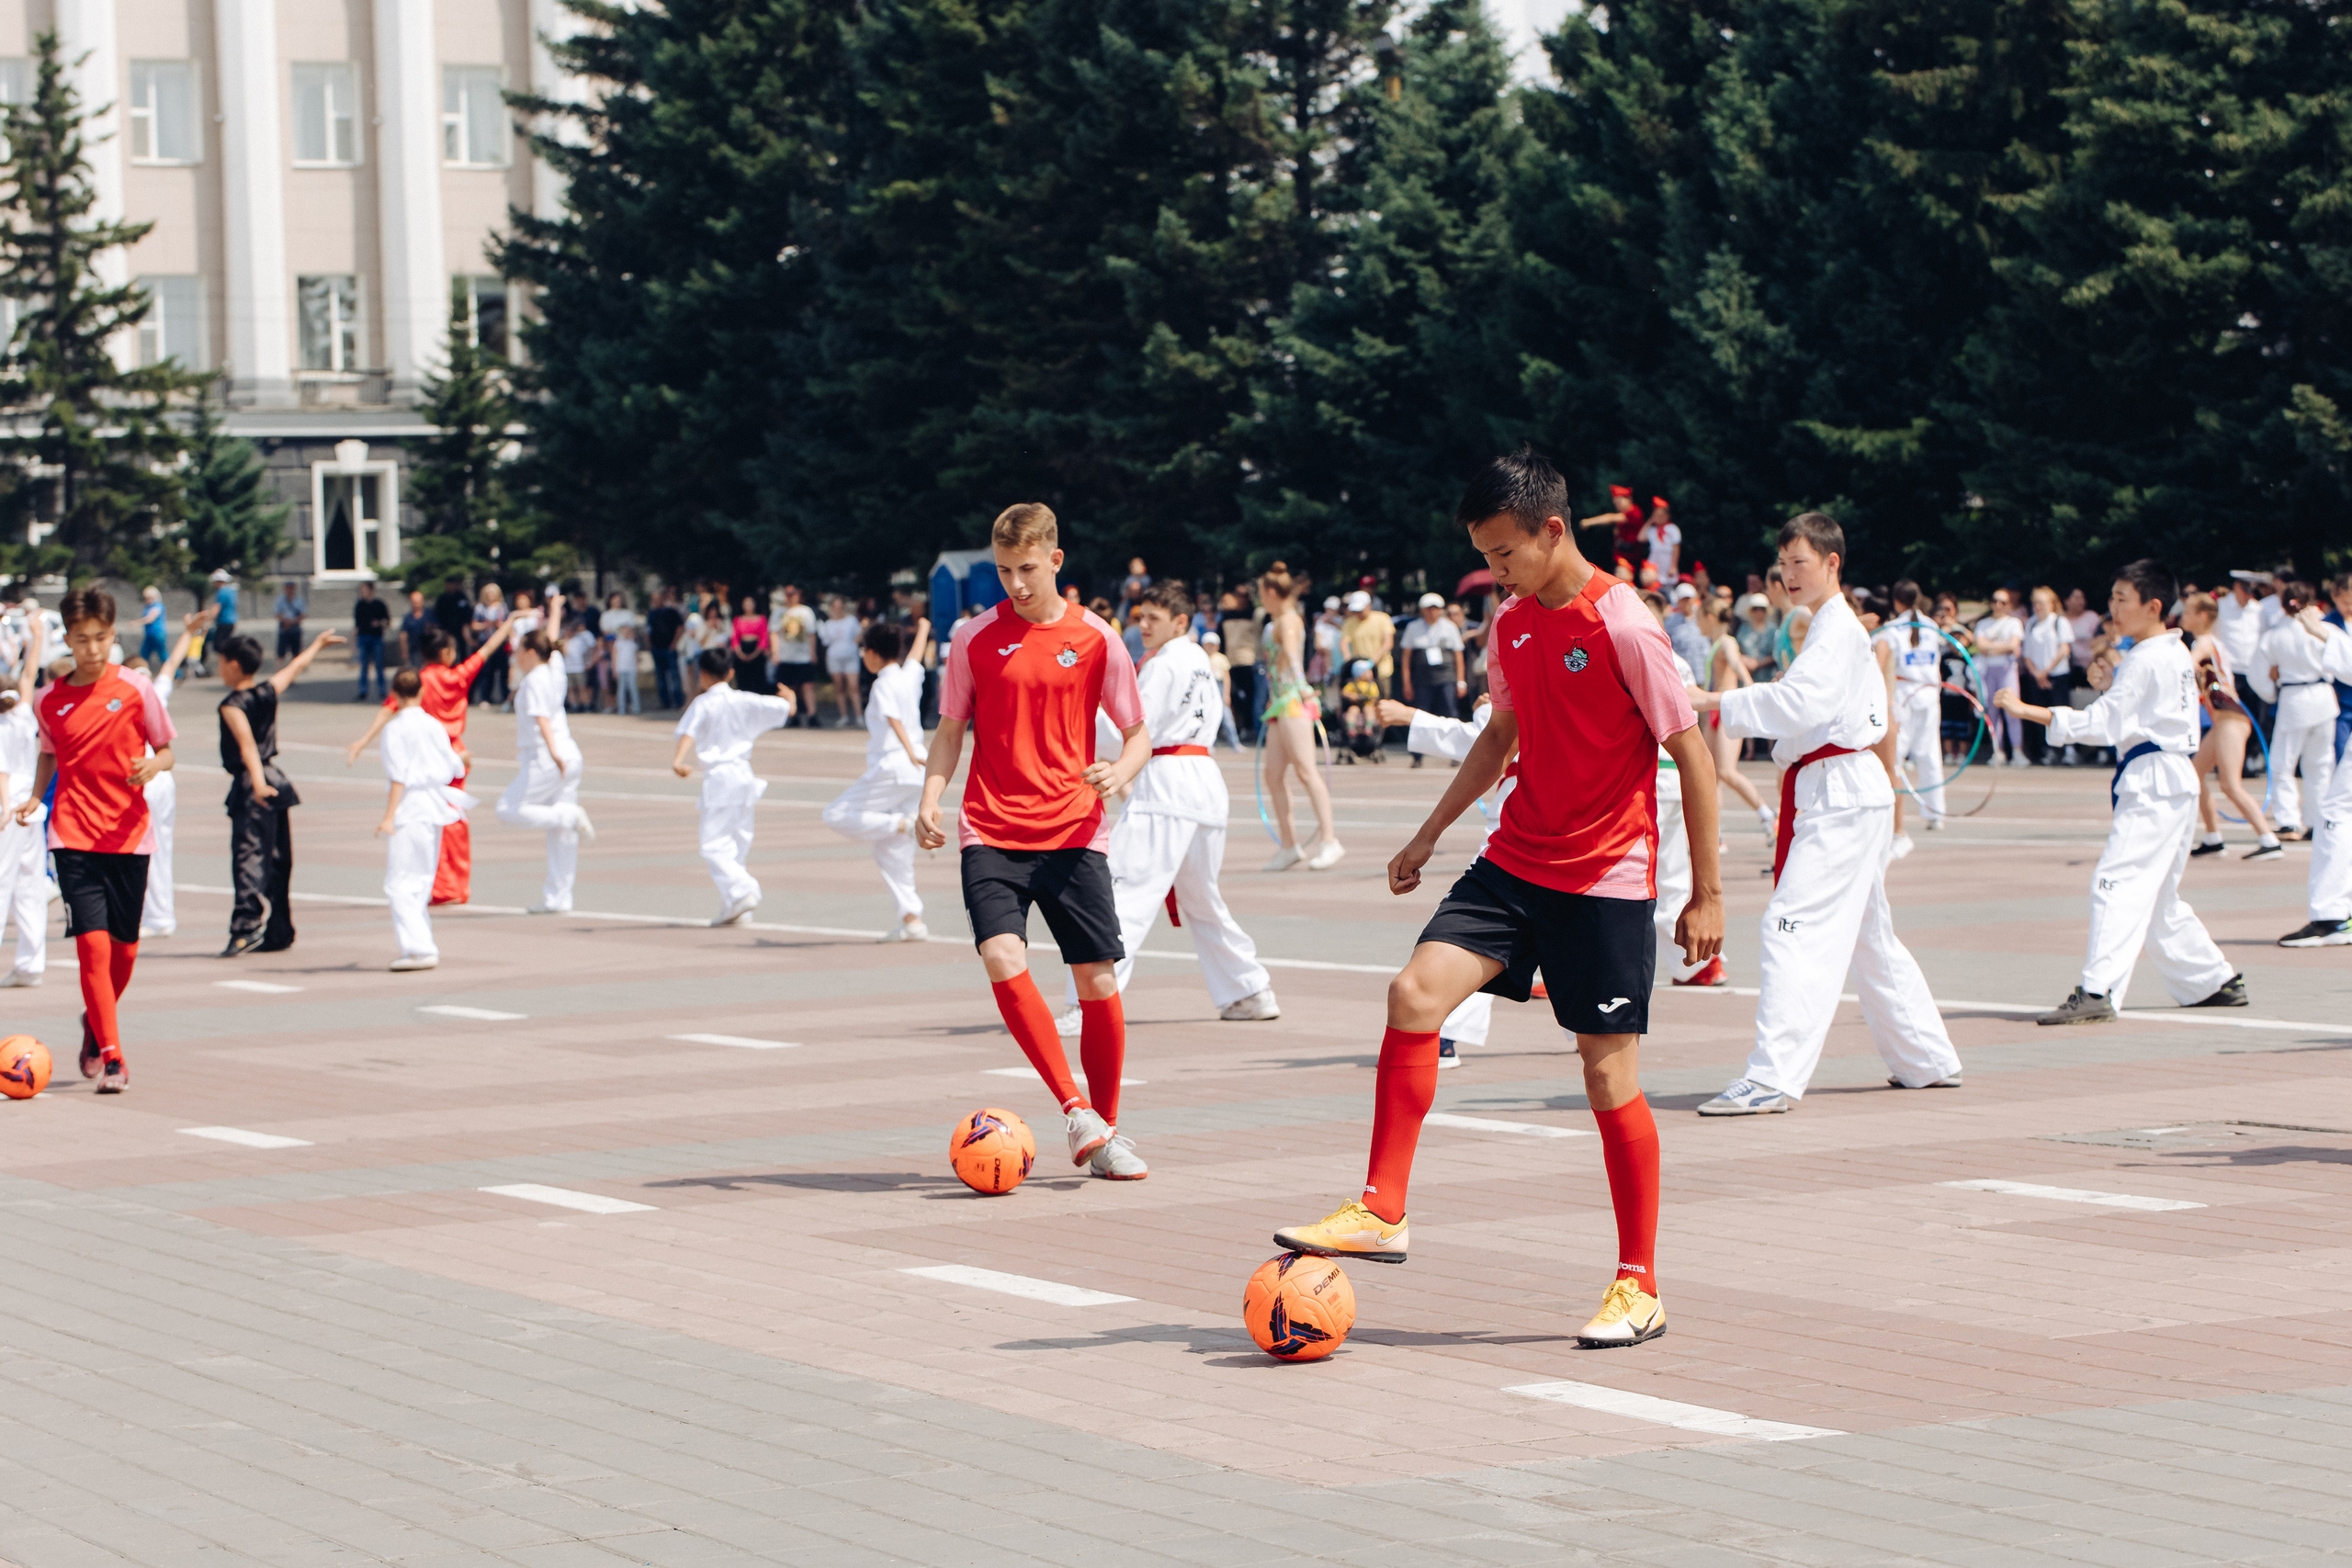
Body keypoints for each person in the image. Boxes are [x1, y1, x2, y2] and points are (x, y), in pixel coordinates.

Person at [1272, 450, 1721, 1351]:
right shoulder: (1511, 626)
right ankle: (1382, 1206)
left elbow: (1693, 760)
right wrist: (1428, 834)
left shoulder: (1627, 628)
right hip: (1514, 861)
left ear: (1553, 531)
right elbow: (1497, 740)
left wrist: (1707, 896)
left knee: (1606, 1078)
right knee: (1412, 995)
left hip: (1604, 880)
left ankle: (1638, 1285)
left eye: (1506, 553)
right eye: (1487, 556)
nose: (1498, 573)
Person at [1689, 513, 1963, 1114]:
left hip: (1839, 788)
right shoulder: (1830, 627)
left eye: (1800, 563)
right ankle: (1925, 1057)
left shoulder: (1836, 628)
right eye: (1782, 564)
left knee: (1791, 926)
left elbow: (1799, 703)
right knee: (1870, 936)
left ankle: (1773, 1075)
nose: (1788, 575)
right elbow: (1805, 705)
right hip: (1841, 787)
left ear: (1832, 563)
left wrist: (1714, 700)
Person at [913, 502, 1152, 1181]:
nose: (1014, 583)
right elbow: (952, 729)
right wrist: (931, 798)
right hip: (990, 827)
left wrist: (1120, 770)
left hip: (1075, 830)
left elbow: (1138, 735)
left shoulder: (1098, 637)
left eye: (1026, 568)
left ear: (1055, 560)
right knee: (1000, 955)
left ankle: (1105, 1132)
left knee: (1098, 979)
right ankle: (1075, 1106)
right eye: (1003, 569)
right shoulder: (973, 638)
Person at [1996, 560, 2245, 1022]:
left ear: (2153, 606)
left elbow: (2102, 723)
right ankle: (2213, 979)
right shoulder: (2167, 652)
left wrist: (2027, 709)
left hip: (2155, 780)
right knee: (2157, 896)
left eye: (2122, 599)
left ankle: (2097, 991)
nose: (2113, 607)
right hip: (2169, 777)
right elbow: (2136, 708)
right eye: (2111, 598)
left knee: (2115, 882)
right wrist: (2113, 685)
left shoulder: (2150, 656)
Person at [1053, 580, 1278, 1033]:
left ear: (1180, 621)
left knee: (1125, 892)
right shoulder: (1198, 659)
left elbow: (1132, 727)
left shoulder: (1165, 664)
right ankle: (1249, 990)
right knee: (1200, 898)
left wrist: (1078, 716)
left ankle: (1090, 1002)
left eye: (1154, 618)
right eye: (1141, 617)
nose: (1144, 626)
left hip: (1167, 783)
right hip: (1203, 784)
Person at [17, 590, 175, 1091]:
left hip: (129, 834)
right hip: (72, 834)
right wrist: (35, 797)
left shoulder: (135, 689)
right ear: (67, 637)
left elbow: (167, 749)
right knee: (92, 947)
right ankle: (113, 1057)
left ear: (113, 636)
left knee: (124, 952)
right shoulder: (49, 700)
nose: (92, 649)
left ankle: (94, 1024)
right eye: (82, 639)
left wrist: (153, 764)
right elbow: (49, 754)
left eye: (101, 638)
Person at [346, 616, 514, 906]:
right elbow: (485, 651)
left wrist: (364, 740)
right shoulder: (457, 675)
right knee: (456, 821)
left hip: (425, 754)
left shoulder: (417, 681)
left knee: (432, 823)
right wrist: (509, 622)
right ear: (446, 653)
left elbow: (388, 711)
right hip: (455, 755)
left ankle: (442, 886)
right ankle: (459, 885)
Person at [217, 624, 345, 957]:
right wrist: (316, 645)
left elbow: (246, 746)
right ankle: (279, 928)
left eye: (221, 662)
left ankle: (246, 927)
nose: (219, 668)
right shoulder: (266, 691)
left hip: (253, 782)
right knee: (278, 858)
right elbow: (295, 667)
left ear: (233, 664)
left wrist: (257, 784)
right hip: (277, 779)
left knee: (248, 856)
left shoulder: (233, 704)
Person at [822, 620, 933, 942]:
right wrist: (923, 627)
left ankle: (903, 824)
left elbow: (892, 717)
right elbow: (914, 656)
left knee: (835, 814)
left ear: (871, 653)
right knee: (891, 854)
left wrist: (909, 748)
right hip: (915, 769)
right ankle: (912, 920)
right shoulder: (907, 675)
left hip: (895, 765)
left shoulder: (883, 683)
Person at [671, 648, 799, 925]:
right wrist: (791, 698)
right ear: (730, 673)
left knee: (713, 844)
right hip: (744, 774)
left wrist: (679, 760)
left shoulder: (703, 703)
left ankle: (743, 891)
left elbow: (688, 732)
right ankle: (735, 906)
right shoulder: (744, 700)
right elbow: (786, 709)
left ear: (702, 675)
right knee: (738, 843)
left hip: (720, 778)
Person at [376, 668, 472, 972]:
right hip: (434, 807)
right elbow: (455, 766)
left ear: (394, 694)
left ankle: (419, 948)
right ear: (421, 692)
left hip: (411, 808)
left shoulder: (395, 729)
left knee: (400, 882)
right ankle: (420, 944)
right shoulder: (433, 725)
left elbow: (398, 776)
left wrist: (389, 816)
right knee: (419, 880)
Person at [2179, 592, 2282, 861]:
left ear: (2202, 616)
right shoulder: (2215, 642)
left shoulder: (2203, 642)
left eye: (2188, 611)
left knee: (2230, 785)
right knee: (2195, 775)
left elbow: (2186, 667)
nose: (2183, 616)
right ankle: (2213, 838)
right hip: (2224, 720)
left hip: (2230, 719)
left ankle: (2268, 838)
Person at [501, 622, 595, 913]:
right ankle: (559, 897)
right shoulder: (554, 668)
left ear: (530, 652)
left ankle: (567, 816)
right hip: (567, 754)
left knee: (507, 808)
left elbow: (541, 718)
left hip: (547, 756)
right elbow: (550, 641)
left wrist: (553, 753)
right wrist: (554, 610)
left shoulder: (534, 680)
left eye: (519, 650)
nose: (516, 655)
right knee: (561, 836)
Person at [2278, 597, 2352, 946]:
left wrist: (2322, 632)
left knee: (2336, 813)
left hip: (2304, 699)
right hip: (2320, 701)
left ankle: (2331, 917)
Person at [138, 604, 215, 941]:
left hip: (145, 779)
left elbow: (169, 667)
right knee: (160, 846)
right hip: (161, 781)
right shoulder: (154, 691)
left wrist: (190, 632)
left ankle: (156, 916)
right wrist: (189, 632)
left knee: (145, 847)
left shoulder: (135, 696)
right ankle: (158, 913)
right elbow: (169, 667)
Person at [1259, 566, 1343, 869]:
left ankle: (1330, 840)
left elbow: (1294, 659)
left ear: (1270, 592)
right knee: (1273, 774)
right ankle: (1289, 844)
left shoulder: (1289, 619)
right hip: (1280, 702)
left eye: (1261, 592)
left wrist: (1304, 689)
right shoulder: (1278, 621)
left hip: (1293, 701)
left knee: (1306, 771)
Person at [2250, 581, 2336, 841]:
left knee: (2282, 763)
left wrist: (2272, 690)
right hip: (2323, 697)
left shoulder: (2275, 635)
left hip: (2294, 698)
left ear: (2282, 604)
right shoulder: (2326, 629)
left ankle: (2289, 821)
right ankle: (2316, 821)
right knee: (2320, 765)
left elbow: (2257, 674)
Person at [1694, 594, 1772, 826]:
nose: (1697, 624)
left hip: (1727, 710)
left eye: (1699, 619)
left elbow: (1736, 662)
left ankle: (1766, 814)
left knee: (1727, 772)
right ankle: (1715, 835)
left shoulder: (1727, 641)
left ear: (1709, 618)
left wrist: (1749, 686)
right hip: (1714, 711)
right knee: (1712, 776)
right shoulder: (1716, 642)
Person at [1875, 582, 1947, 829]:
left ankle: (1889, 814)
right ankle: (1934, 814)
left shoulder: (1892, 629)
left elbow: (1878, 662)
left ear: (1896, 601)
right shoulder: (1931, 625)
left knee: (1894, 758)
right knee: (1929, 756)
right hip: (1928, 693)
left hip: (1906, 695)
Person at [0, 611, 46, 985]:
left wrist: (2, 809)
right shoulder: (24, 715)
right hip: (33, 807)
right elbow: (30, 673)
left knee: (1, 885)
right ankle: (31, 964)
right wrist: (37, 637)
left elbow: (1, 771)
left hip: (9, 807)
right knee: (30, 885)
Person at [1397, 592, 1467, 761]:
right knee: (1421, 714)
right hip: (1422, 678)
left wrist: (1461, 681)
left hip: (1446, 677)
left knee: (1450, 712)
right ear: (1422, 610)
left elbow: (1458, 655)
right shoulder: (1413, 628)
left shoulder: (1449, 627)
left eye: (1436, 609)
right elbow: (1406, 657)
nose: (1432, 613)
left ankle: (1455, 752)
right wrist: (1406, 683)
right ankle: (1417, 755)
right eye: (1429, 609)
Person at [1972, 588, 2025, 765]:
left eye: (2003, 602)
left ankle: (2017, 750)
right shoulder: (1983, 624)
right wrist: (2002, 646)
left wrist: (1991, 647)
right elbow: (1981, 646)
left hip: (2006, 669)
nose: (1998, 605)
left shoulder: (2013, 623)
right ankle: (1998, 750)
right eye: (1995, 601)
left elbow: (2013, 645)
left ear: (2009, 604)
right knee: (1992, 711)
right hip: (1988, 670)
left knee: (2012, 709)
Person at [2018, 586, 2071, 762]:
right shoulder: (2032, 623)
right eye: (2035, 603)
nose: (2037, 606)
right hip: (2037, 675)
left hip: (2057, 674)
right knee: (2040, 713)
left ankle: (2067, 749)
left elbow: (2064, 648)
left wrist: (2046, 671)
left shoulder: (2059, 622)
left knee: (2060, 712)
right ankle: (2046, 749)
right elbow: (2027, 654)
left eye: (2041, 603)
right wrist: (2037, 674)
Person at [768, 586, 819, 724]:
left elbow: (811, 634)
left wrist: (813, 653)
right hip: (785, 655)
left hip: (803, 656)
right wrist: (775, 653)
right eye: (788, 594)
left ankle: (812, 715)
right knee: (788, 687)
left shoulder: (805, 612)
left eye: (793, 594)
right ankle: (791, 715)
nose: (790, 597)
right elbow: (774, 634)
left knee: (807, 685)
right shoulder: (778, 613)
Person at [818, 594, 865, 725]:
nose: (838, 609)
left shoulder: (851, 620)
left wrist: (853, 645)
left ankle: (859, 716)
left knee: (854, 687)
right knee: (839, 687)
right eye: (835, 607)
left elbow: (858, 636)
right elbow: (826, 641)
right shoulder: (828, 624)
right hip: (834, 658)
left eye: (840, 606)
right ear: (832, 608)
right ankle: (843, 716)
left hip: (851, 657)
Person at [470, 583, 511, 706]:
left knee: (504, 670)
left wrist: (500, 626)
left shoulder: (502, 607)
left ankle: (506, 697)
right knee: (486, 670)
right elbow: (474, 625)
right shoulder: (480, 608)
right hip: (486, 641)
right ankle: (485, 698)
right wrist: (486, 625)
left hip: (500, 641)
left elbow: (509, 624)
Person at [647, 587, 686, 710]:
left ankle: (678, 702)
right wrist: (650, 646)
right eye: (654, 599)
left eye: (658, 599)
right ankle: (665, 702)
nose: (656, 601)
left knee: (674, 677)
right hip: (657, 649)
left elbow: (679, 628)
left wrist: (673, 644)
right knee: (660, 677)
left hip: (669, 649)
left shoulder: (671, 612)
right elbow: (647, 631)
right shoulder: (651, 614)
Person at [351, 581, 390, 700]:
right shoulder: (359, 605)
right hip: (363, 638)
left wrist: (379, 623)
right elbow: (357, 626)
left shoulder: (379, 604)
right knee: (364, 665)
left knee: (379, 664)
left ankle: (382, 690)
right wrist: (353, 644)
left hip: (376, 638)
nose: (361, 592)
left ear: (370, 590)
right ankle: (363, 690)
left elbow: (387, 621)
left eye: (363, 590)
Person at [604, 591, 641, 716]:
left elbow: (632, 632)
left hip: (629, 662)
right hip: (614, 653)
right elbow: (607, 634)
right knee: (616, 685)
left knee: (632, 687)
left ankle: (634, 706)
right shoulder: (606, 615)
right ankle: (617, 706)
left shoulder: (628, 614)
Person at [730, 595, 773, 694]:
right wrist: (740, 653)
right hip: (742, 649)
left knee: (758, 678)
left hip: (756, 650)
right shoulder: (737, 619)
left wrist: (755, 653)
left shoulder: (761, 619)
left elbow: (764, 637)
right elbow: (735, 638)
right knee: (743, 678)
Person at [1642, 496, 1680, 583]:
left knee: (1667, 582)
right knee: (1653, 582)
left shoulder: (1672, 528)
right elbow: (1640, 537)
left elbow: (1676, 548)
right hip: (1655, 558)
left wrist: (1673, 566)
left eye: (1662, 515)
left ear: (1668, 515)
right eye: (1656, 515)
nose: (1659, 517)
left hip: (1667, 558)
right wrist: (1650, 521)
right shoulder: (1652, 530)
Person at [398, 589, 431, 669]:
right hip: (414, 648)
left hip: (428, 648)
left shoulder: (429, 615)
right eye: (414, 602)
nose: (416, 604)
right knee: (416, 669)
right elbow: (403, 634)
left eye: (418, 602)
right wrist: (404, 651)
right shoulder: (408, 617)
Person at [136, 587, 166, 671]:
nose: (147, 599)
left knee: (163, 655)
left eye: (148, 597)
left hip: (157, 635)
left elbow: (150, 619)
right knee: (143, 655)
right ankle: (141, 672)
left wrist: (136, 622)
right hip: (149, 635)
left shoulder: (157, 606)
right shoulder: (148, 606)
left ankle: (177, 674)